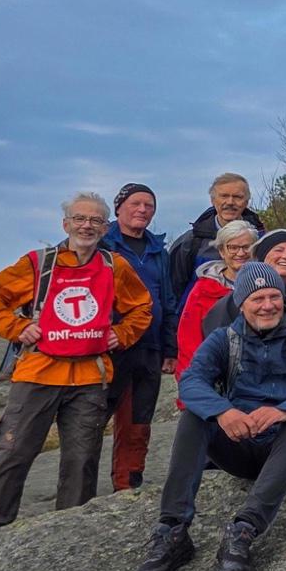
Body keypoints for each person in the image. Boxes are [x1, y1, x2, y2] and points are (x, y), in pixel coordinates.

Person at [132, 263, 286, 571]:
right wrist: (223, 412)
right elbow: (191, 382)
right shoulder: (224, 339)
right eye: (257, 298)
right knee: (195, 417)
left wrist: (284, 410)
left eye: (273, 296)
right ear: (241, 303)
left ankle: (245, 529)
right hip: (240, 441)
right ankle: (173, 530)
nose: (267, 305)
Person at [0, 191, 153, 534]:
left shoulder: (114, 267)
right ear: (65, 224)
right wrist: (18, 327)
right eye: (80, 219)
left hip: (90, 376)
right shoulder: (39, 264)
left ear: (105, 227)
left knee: (82, 457)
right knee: (14, 449)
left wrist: (123, 334)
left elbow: (142, 307)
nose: (87, 226)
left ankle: (71, 526)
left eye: (96, 220)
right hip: (38, 371)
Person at [104, 183, 173, 491]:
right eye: (136, 203)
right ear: (118, 208)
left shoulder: (159, 250)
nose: (143, 210)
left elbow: (169, 300)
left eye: (149, 205)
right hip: (108, 345)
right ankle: (77, 490)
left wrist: (170, 348)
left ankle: (128, 482)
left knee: (139, 419)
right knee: (92, 418)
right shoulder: (103, 244)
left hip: (149, 346)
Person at [174, 220, 258, 378]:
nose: (240, 253)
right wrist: (193, 383)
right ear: (221, 251)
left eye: (246, 247)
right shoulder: (203, 290)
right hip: (215, 376)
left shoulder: (266, 285)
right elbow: (188, 341)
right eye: (233, 247)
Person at [168, 172, 261, 301]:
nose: (230, 202)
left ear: (246, 202)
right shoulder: (190, 242)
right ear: (213, 200)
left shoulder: (261, 241)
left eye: (237, 197)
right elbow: (172, 291)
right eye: (224, 196)